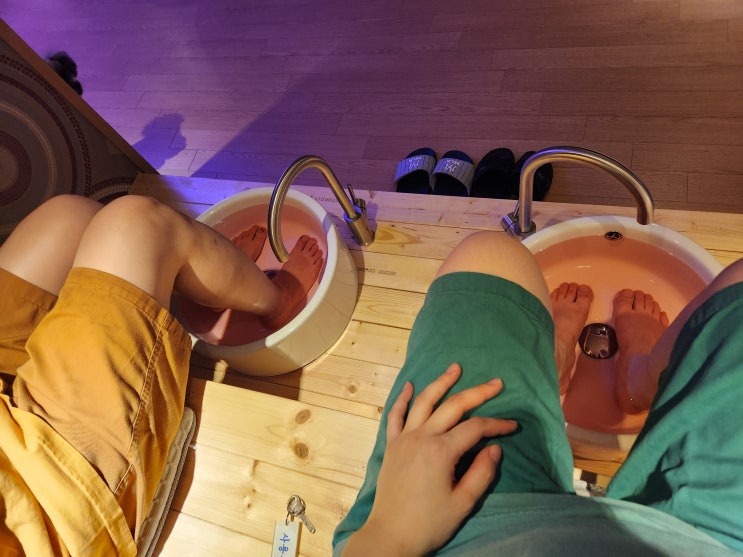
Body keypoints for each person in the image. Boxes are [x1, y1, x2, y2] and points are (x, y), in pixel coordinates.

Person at [333, 231, 743, 556]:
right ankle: (638, 379)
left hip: (464, 537)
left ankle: (558, 357)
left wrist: (387, 536)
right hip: (712, 541)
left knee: (490, 256)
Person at [0, 194, 323, 555]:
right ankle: (276, 300)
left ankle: (216, 284)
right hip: (41, 497)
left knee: (68, 217)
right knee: (140, 224)